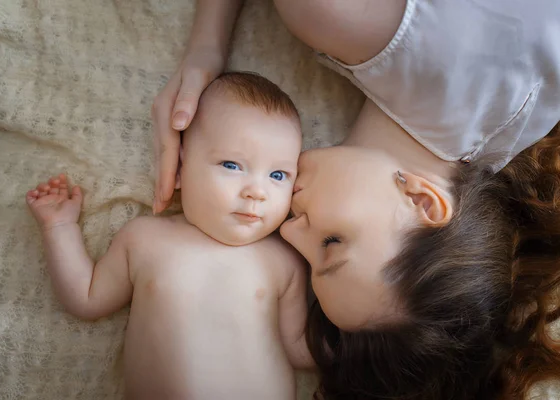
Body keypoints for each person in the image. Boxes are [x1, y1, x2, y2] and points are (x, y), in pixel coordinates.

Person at [151, 1, 560, 399]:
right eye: (331, 243)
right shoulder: (335, 16)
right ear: (423, 201)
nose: (289, 231)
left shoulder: (521, 123)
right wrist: (206, 48)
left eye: (309, 263)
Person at [26, 72, 313, 400]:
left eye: (278, 175)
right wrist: (59, 227)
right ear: (177, 169)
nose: (257, 191)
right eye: (232, 165)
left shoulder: (284, 259)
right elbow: (87, 298)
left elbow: (301, 350)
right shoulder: (145, 238)